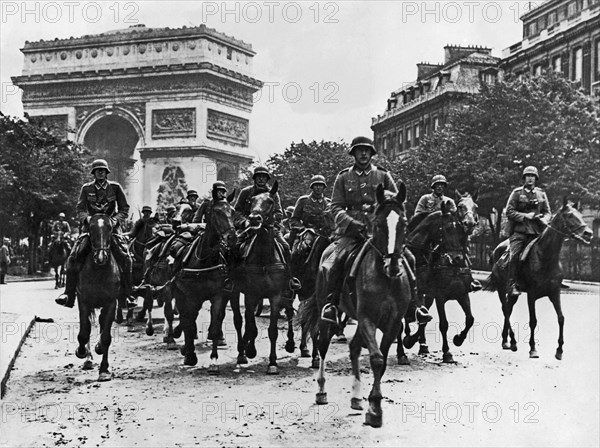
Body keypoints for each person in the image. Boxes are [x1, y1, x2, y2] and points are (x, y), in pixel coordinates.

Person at [320, 136, 431, 325]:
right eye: (359, 150)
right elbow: (336, 207)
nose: (363, 153)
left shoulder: (383, 175)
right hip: (353, 233)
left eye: (367, 150)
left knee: (409, 259)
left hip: (381, 232)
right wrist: (351, 222)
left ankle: (414, 305)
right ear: (353, 153)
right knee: (335, 261)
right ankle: (331, 304)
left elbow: (398, 202)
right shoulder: (343, 177)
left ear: (371, 154)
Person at [55, 159, 136, 309]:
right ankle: (69, 293)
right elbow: (80, 208)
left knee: (126, 258)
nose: (100, 172)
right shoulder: (86, 188)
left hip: (111, 230)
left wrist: (114, 221)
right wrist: (87, 219)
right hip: (91, 229)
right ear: (93, 173)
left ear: (106, 172)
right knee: (73, 256)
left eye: (103, 170)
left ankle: (128, 294)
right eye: (97, 170)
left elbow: (124, 209)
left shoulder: (115, 188)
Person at [234, 166, 300, 292]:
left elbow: (279, 213)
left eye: (264, 177)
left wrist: (270, 221)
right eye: (258, 177)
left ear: (267, 179)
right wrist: (245, 222)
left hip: (268, 229)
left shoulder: (273, 194)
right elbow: (237, 212)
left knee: (286, 247)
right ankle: (232, 279)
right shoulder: (246, 192)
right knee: (234, 246)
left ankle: (290, 279)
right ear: (254, 178)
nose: (261, 179)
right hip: (248, 228)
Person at [413, 174, 481, 291]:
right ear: (433, 187)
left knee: (461, 248)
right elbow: (418, 215)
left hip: (444, 234)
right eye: (437, 185)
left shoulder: (449, 201)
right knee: (418, 251)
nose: (439, 187)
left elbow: (455, 217)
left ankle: (469, 278)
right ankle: (415, 278)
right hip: (429, 232)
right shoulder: (425, 199)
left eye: (442, 185)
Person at [505, 166, 551, 296]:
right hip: (520, 232)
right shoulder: (517, 193)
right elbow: (509, 212)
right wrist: (525, 216)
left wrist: (545, 220)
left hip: (537, 232)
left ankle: (554, 279)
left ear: (536, 179)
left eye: (532, 176)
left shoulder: (541, 193)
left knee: (551, 251)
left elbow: (547, 212)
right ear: (524, 178)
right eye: (527, 176)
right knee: (514, 255)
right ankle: (512, 284)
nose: (530, 178)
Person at [290, 174, 333, 248]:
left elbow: (332, 221)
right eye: (316, 185)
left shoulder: (329, 203)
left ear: (324, 187)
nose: (318, 188)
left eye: (321, 185)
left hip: (325, 234)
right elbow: (294, 220)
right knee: (299, 250)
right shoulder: (303, 201)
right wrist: (303, 229)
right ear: (312, 187)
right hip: (306, 233)